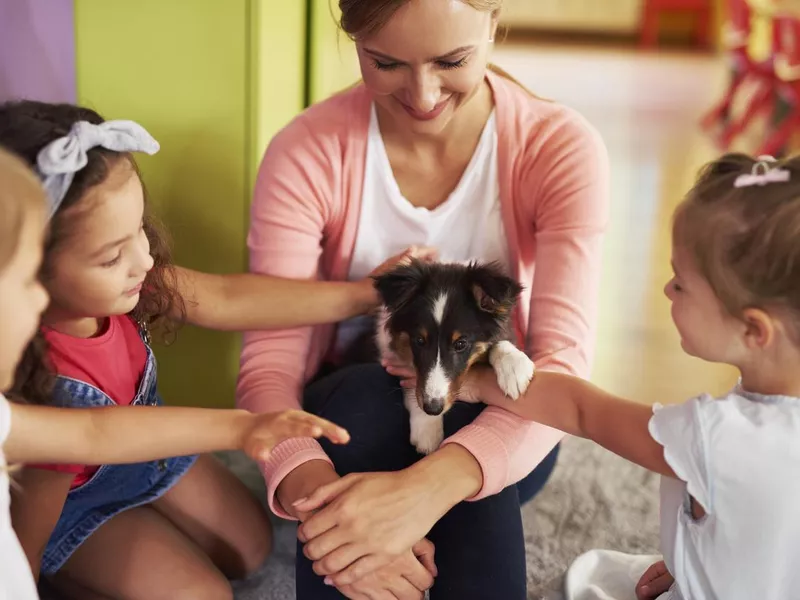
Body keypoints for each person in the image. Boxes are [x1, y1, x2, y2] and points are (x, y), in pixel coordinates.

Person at [237, 0, 610, 597]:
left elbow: (562, 366)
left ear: (494, 21)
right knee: (368, 397)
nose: (423, 95)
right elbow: (269, 367)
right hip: (349, 415)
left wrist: (430, 487)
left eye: (452, 60)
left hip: (506, 422)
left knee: (463, 402)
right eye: (385, 63)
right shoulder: (307, 151)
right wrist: (318, 502)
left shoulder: (558, 148)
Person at [0, 101, 418, 600]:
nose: (144, 258)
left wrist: (361, 294)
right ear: (31, 269)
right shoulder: (31, 371)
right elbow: (64, 474)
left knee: (254, 547)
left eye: (138, 230)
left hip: (149, 452)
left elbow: (229, 298)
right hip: (74, 503)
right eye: (112, 256)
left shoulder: (134, 283)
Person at [454, 153, 800, 600]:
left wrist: (476, 382)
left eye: (681, 283)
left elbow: (582, 411)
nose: (666, 290)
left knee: (583, 582)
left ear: (753, 329)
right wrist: (700, 562)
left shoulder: (712, 436)